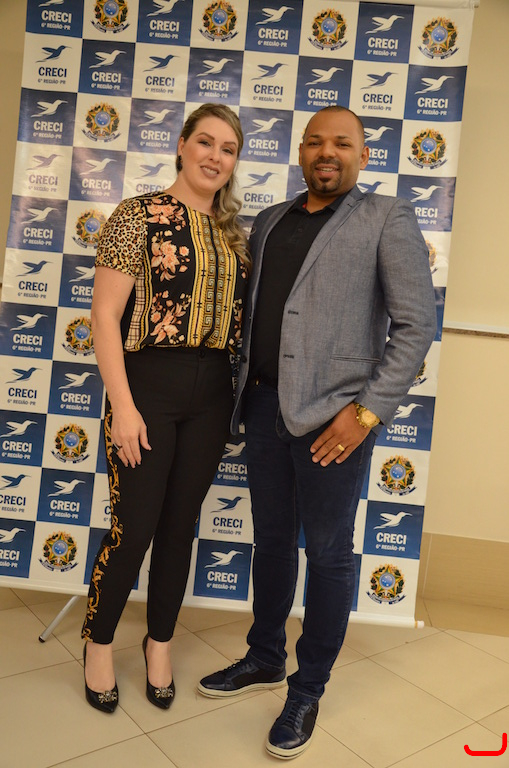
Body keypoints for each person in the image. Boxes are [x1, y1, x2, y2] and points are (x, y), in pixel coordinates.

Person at [198, 105, 436, 758]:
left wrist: (365, 412)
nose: (326, 152)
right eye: (314, 142)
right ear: (300, 152)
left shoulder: (387, 217)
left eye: (341, 143)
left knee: (328, 554)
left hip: (336, 421)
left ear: (362, 154)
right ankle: (264, 657)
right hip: (263, 410)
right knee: (271, 542)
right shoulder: (271, 219)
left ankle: (306, 690)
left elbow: (417, 325)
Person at [81, 103, 249, 713]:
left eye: (227, 149)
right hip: (148, 384)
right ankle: (99, 644)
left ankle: (159, 644)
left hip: (212, 393)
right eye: (205, 142)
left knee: (180, 530)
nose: (214, 156)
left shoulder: (234, 234)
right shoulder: (137, 215)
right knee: (135, 529)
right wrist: (123, 408)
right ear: (181, 145)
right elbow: (104, 315)